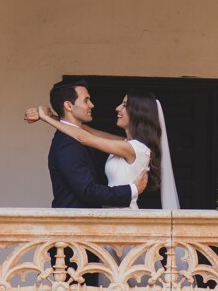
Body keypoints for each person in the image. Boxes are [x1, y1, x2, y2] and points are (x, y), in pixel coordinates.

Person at [26, 89, 179, 210]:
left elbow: (83, 137)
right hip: (110, 212)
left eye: (124, 105)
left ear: (138, 112)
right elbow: (85, 130)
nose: (117, 108)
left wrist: (45, 118)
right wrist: (52, 116)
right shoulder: (125, 143)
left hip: (123, 213)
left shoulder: (134, 148)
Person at [38, 79, 145, 208]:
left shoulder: (79, 137)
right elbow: (87, 191)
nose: (92, 105)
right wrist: (131, 190)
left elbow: (89, 135)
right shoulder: (67, 144)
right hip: (74, 219)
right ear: (69, 106)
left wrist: (49, 117)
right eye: (86, 100)